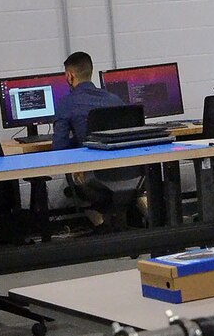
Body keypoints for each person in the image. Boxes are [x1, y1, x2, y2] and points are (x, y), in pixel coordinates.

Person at [50, 50, 145, 226]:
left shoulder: (67, 104)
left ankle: (101, 224)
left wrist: (78, 140)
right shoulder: (115, 99)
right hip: (131, 176)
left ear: (69, 76)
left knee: (75, 175)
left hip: (95, 179)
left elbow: (59, 150)